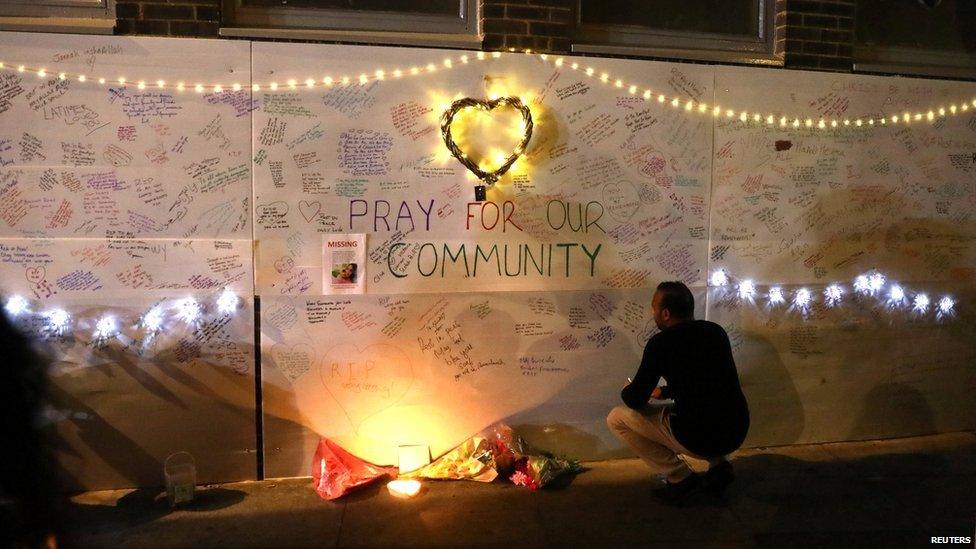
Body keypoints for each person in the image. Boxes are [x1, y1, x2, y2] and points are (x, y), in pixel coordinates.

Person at [607, 281, 749, 504]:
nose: (652, 312)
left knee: (616, 418)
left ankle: (679, 477)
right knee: (706, 406)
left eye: (653, 307)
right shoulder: (715, 332)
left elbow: (635, 400)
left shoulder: (660, 344)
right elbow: (705, 382)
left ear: (665, 313)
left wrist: (628, 389)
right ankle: (719, 466)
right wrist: (663, 391)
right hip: (736, 429)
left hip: (698, 437)